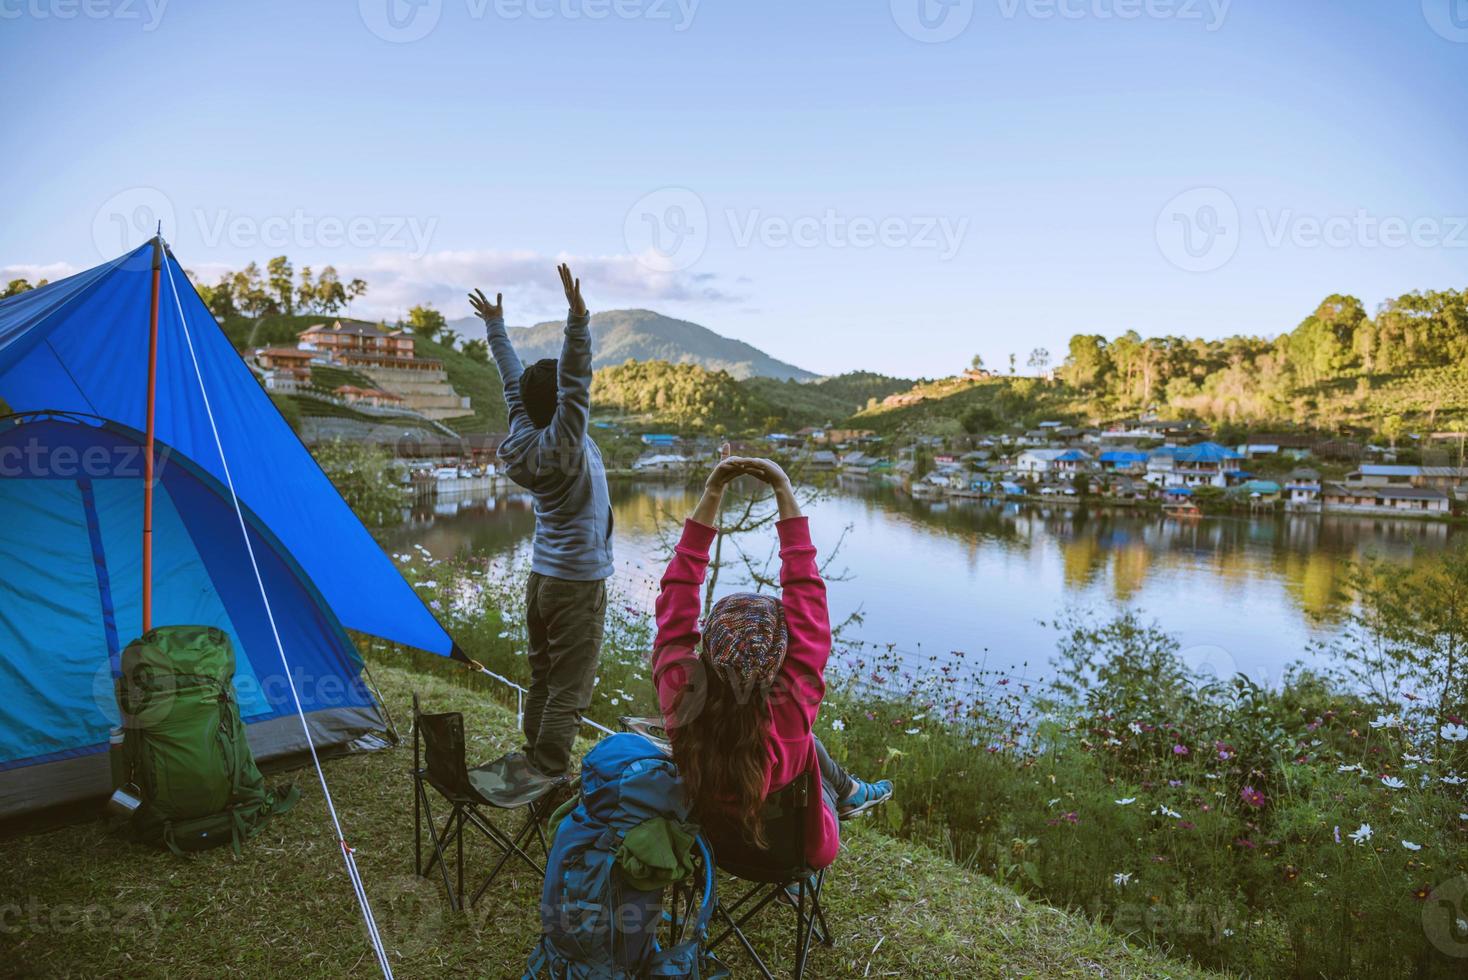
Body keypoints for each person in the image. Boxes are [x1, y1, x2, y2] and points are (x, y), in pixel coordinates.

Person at [650, 452, 892, 869]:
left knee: (806, 744)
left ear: (707, 648)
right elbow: (807, 595)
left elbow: (677, 598)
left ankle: (851, 790)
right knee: (807, 751)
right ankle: (849, 793)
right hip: (794, 856)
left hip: (715, 851)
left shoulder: (681, 696)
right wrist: (783, 490)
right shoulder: (792, 709)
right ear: (782, 654)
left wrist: (712, 493)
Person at [469, 265, 611, 778]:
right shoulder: (562, 441)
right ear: (562, 408)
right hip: (576, 584)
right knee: (569, 689)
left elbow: (513, 382)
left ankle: (534, 757)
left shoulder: (525, 431)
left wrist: (495, 326)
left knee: (545, 676)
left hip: (543, 579)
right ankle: (548, 772)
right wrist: (577, 320)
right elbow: (577, 383)